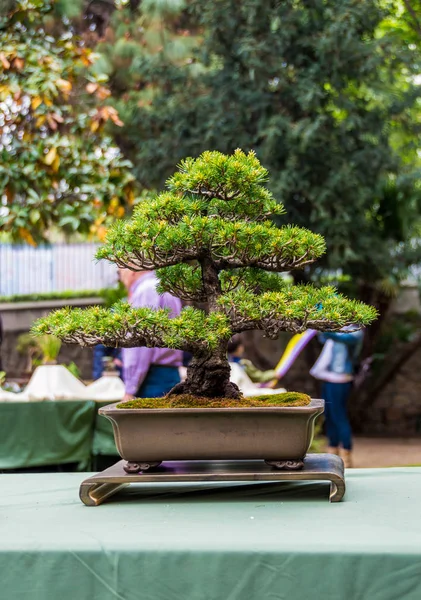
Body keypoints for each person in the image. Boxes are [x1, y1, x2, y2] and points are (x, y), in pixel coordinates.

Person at [119, 268, 183, 400]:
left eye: (119, 271)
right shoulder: (165, 287)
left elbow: (140, 343)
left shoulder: (145, 290)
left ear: (131, 269)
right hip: (168, 373)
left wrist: (130, 388)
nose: (120, 278)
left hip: (151, 377)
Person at [310, 328, 363, 468]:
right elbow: (323, 339)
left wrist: (320, 327)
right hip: (328, 378)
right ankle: (332, 450)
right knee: (329, 415)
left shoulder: (355, 332)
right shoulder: (335, 329)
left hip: (341, 379)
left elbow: (340, 338)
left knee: (339, 416)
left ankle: (346, 454)